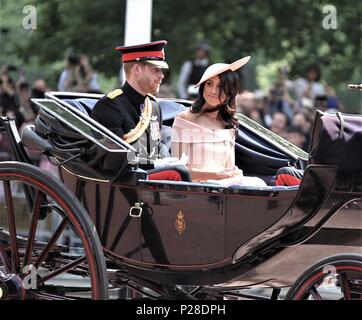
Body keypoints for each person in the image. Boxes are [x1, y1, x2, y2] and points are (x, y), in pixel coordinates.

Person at [91, 40, 190, 182]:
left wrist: (163, 161)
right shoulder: (109, 106)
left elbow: (153, 152)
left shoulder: (153, 106)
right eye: (156, 70)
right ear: (137, 69)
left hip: (145, 177)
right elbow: (113, 162)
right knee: (178, 173)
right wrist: (156, 164)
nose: (162, 76)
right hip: (124, 181)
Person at [171, 56, 266, 187]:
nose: (213, 91)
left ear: (230, 92)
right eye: (209, 84)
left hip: (225, 187)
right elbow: (176, 171)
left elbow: (230, 168)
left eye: (220, 86)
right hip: (196, 189)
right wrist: (216, 176)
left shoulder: (228, 123)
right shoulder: (186, 119)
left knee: (258, 183)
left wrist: (233, 174)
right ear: (203, 86)